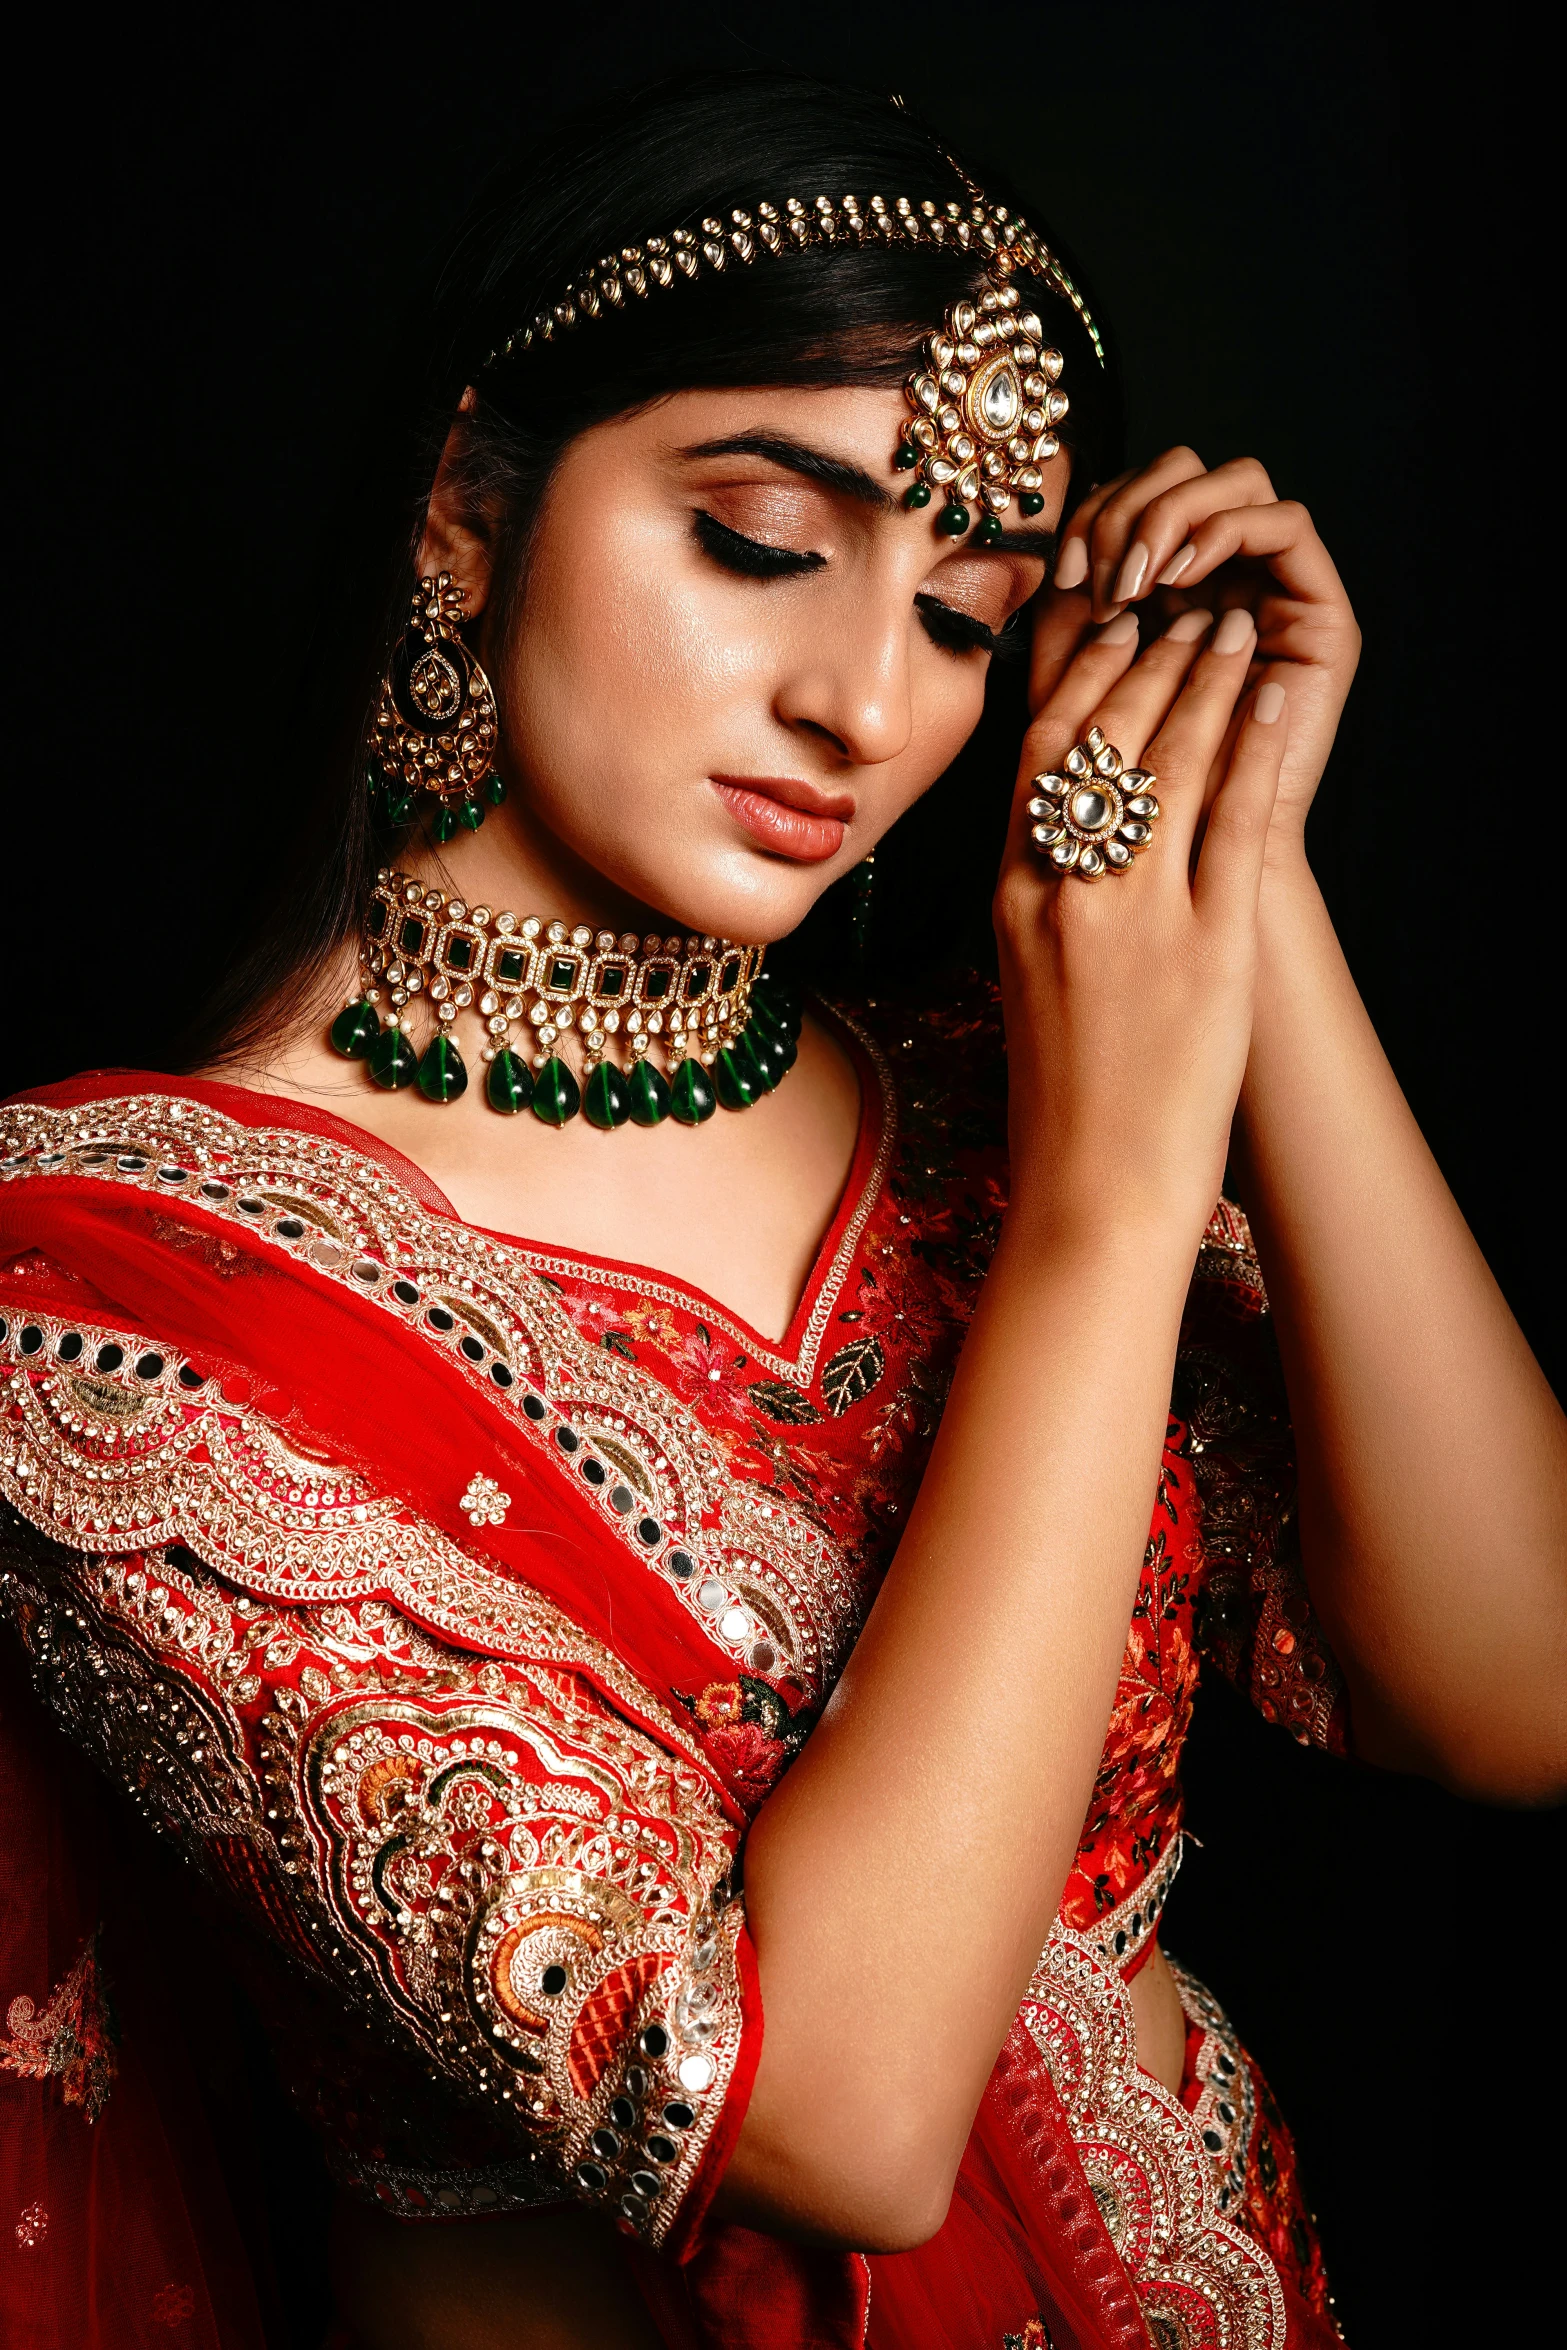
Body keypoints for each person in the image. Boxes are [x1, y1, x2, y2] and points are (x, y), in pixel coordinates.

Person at [2, 69, 1563, 2350]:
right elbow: (831, 2112)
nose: (858, 698)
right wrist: (1118, 1193)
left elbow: (1511, 1678)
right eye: (757, 539)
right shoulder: (109, 1285)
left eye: (963, 618)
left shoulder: (969, 1096)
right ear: (465, 507)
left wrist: (1238, 869)